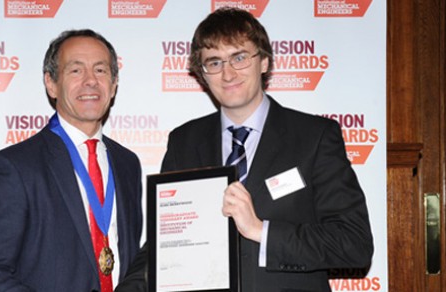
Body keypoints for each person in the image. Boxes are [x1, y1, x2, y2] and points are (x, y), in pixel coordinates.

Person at [116, 7, 374, 292]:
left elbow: (354, 244)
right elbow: (164, 244)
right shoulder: (184, 142)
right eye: (214, 62)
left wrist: (260, 230)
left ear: (263, 61)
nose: (227, 73)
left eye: (239, 58)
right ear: (202, 74)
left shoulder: (314, 137)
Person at [0, 29, 143, 291]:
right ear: (51, 83)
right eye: (76, 71)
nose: (91, 81)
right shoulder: (15, 166)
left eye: (101, 70)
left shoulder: (127, 164)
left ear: (114, 84)